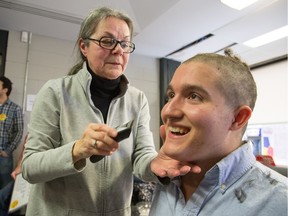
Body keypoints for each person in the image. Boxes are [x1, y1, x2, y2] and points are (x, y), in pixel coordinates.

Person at [21, 6, 195, 216]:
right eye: (107, 41)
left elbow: (142, 156)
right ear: (84, 46)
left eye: (124, 43)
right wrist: (77, 150)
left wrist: (155, 164)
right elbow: (30, 167)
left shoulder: (136, 99)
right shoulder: (56, 92)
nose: (118, 50)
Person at [149, 49, 288, 216]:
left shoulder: (280, 202)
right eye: (171, 95)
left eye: (193, 96)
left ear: (238, 118)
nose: (168, 111)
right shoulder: (168, 179)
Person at [0, 76, 24, 190]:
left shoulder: (15, 109)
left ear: (5, 90)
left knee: (4, 187)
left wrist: (7, 151)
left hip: (3, 157)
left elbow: (19, 132)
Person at [0, 134, 27, 216]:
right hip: (24, 176)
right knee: (3, 198)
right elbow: (23, 154)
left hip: (37, 179)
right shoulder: (30, 134)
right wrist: (18, 167)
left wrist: (7, 151)